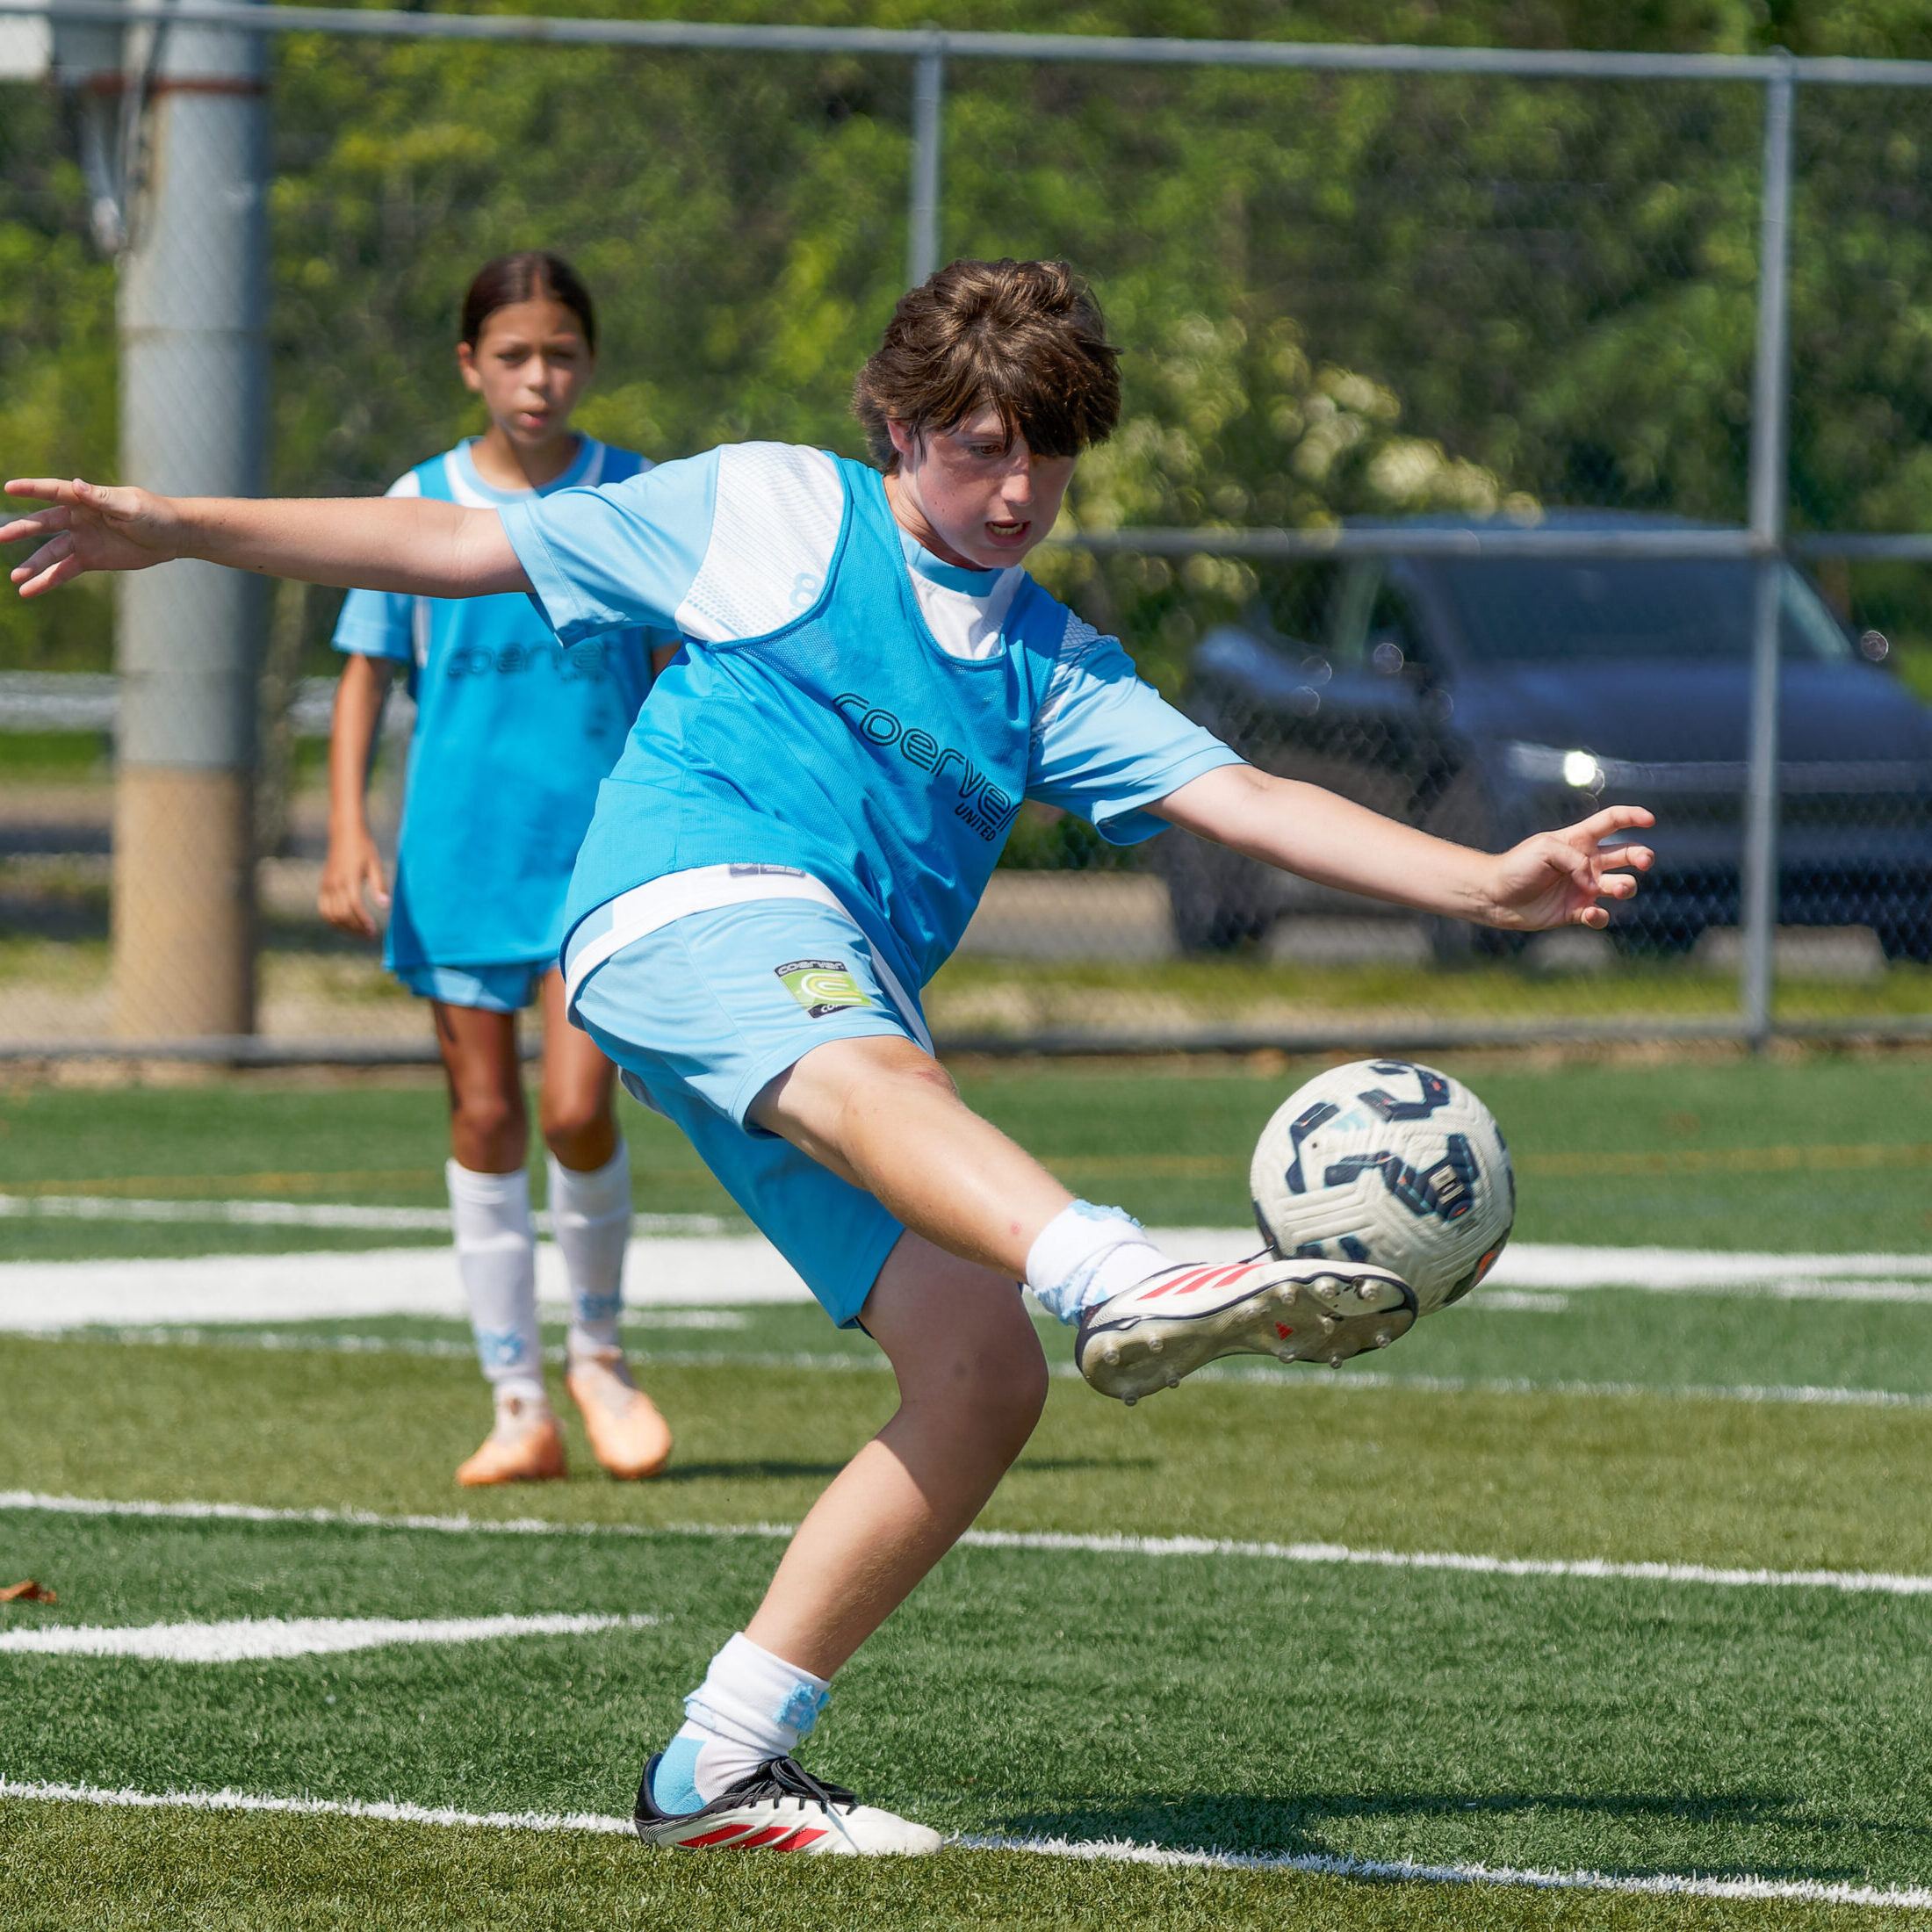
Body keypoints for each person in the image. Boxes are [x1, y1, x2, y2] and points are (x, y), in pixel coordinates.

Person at [4, 256, 1654, 1856]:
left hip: (808, 1002)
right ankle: (1114, 1270)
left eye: (1050, 451)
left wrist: (1487, 882)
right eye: (981, 445)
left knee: (981, 1373)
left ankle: (719, 1761)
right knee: (895, 1084)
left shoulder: (1049, 669)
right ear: (898, 427)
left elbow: (1252, 801)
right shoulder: (777, 510)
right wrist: (172, 527)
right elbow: (458, 537)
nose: (1015, 487)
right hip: (683, 906)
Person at [318, 251, 674, 1489]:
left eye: (562, 353)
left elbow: (685, 667)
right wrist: (348, 829)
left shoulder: (635, 494)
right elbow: (367, 666)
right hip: (460, 854)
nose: (541, 377)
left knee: (578, 1109)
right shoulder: (421, 494)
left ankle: (601, 1358)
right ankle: (517, 1400)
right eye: (515, 355)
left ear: (591, 361)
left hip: (604, 862)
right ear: (471, 364)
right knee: (485, 1115)